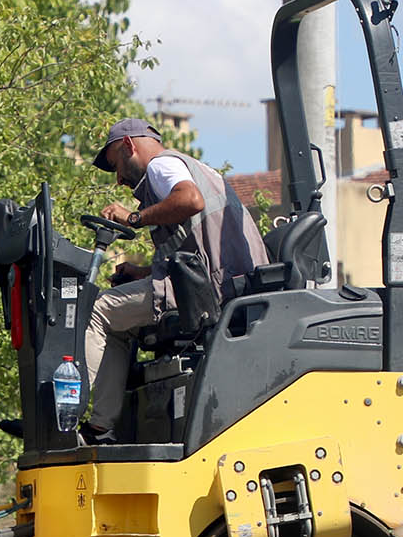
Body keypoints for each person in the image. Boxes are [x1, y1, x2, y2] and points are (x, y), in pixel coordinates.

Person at [82, 118, 268, 442]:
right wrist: (141, 274)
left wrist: (134, 217)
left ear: (129, 146)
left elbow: (190, 200)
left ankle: (86, 424)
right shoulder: (192, 166)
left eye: (117, 166)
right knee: (123, 321)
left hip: (209, 289)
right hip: (221, 282)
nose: (119, 179)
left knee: (98, 311)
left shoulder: (161, 166)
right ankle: (113, 423)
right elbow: (191, 245)